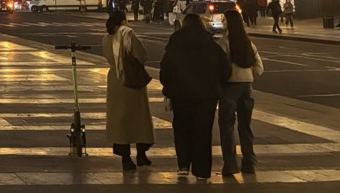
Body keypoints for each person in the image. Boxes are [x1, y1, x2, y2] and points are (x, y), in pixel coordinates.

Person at [159, 13, 231, 179]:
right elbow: (225, 70)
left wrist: (169, 86)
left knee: (182, 129)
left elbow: (166, 71)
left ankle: (183, 165)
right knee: (203, 132)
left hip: (180, 94)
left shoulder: (175, 45)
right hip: (206, 95)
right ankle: (202, 170)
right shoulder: (211, 45)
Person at [102, 10, 154, 170]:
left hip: (115, 79)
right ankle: (141, 153)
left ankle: (125, 157)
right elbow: (142, 55)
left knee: (120, 120)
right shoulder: (127, 35)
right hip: (131, 79)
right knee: (139, 119)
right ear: (123, 21)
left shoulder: (106, 38)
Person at [218, 9, 263, 175]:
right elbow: (259, 68)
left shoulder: (224, 43)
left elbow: (219, 66)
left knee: (227, 126)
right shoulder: (248, 43)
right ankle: (249, 162)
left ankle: (230, 164)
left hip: (230, 86)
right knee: (245, 125)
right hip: (247, 85)